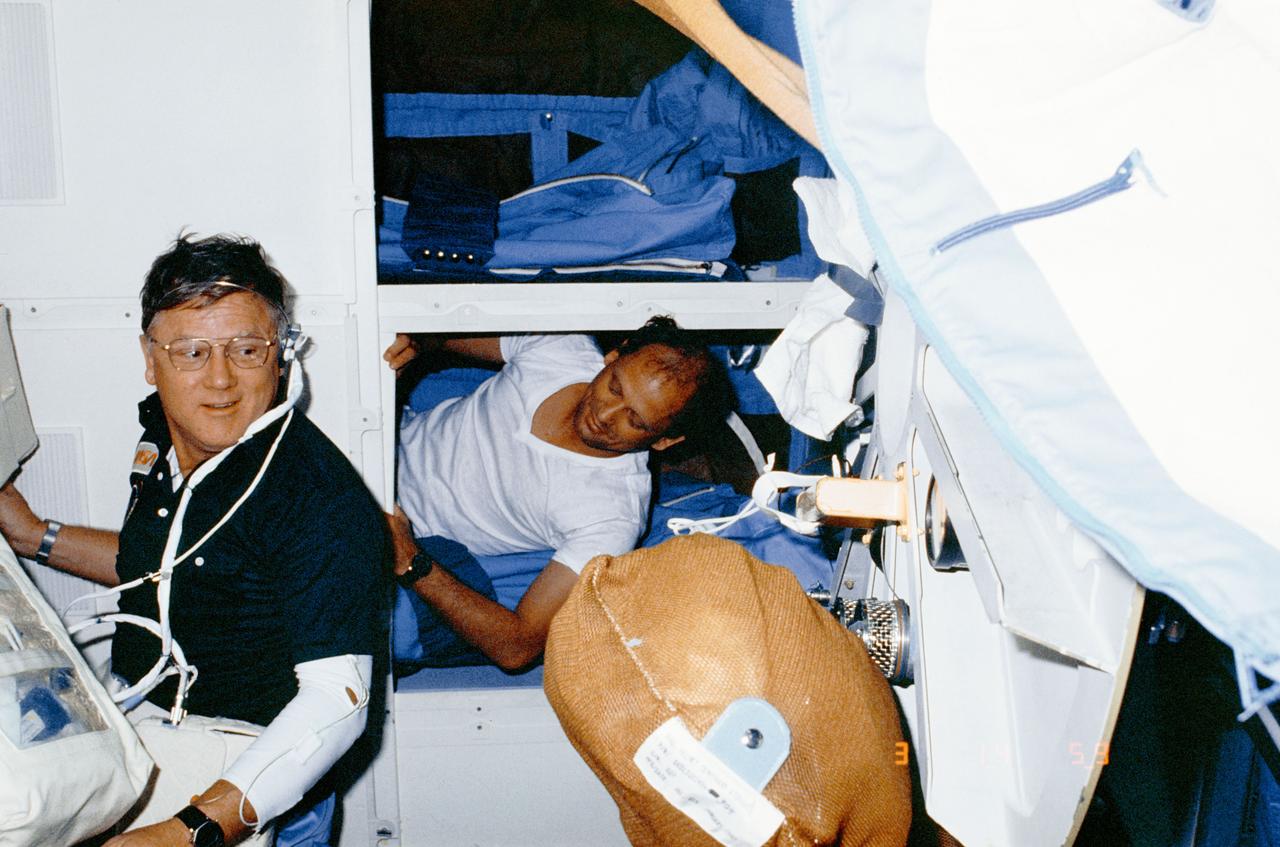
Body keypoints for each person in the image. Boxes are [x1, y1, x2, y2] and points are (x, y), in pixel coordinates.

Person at [0, 234, 386, 846]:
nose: (221, 381)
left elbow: (337, 703)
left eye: (246, 349)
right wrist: (32, 536)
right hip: (152, 732)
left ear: (281, 356)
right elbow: (173, 566)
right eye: (192, 352)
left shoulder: (316, 497)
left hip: (258, 776)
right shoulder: (165, 432)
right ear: (150, 360)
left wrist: (191, 832)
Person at [383, 317, 730, 672]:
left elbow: (518, 647)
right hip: (379, 435)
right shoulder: (559, 347)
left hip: (396, 529)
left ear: (663, 441)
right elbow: (438, 335)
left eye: (636, 421)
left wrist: (410, 560)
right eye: (614, 387)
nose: (605, 415)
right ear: (612, 357)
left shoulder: (611, 519)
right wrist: (413, 342)